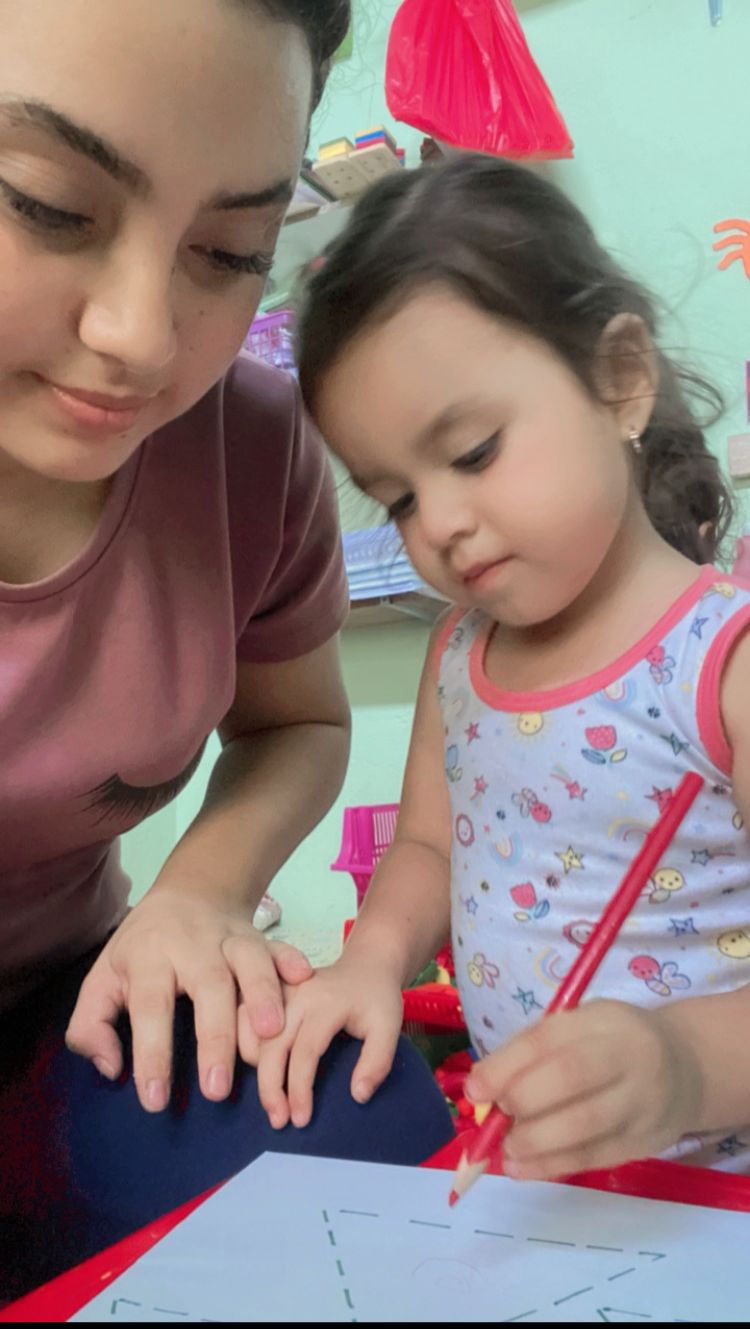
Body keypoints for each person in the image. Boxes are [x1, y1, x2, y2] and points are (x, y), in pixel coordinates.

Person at [0, 0, 454, 1305]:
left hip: (62, 1012)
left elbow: (295, 722)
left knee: (353, 1123)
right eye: (48, 206)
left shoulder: (246, 448)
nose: (140, 336)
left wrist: (197, 894)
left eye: (228, 250)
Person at [254, 153, 750, 1182]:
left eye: (474, 451)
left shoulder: (722, 663)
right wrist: (371, 962)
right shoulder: (458, 656)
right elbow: (428, 848)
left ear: (620, 379)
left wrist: (681, 1066)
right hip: (541, 1184)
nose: (438, 521)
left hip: (716, 1198)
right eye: (396, 497)